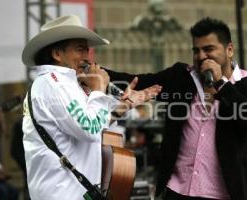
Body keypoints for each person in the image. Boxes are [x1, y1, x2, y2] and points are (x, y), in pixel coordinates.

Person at [106, 17, 247, 200]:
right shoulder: (182, 77)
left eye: (208, 49)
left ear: (229, 50)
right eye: (196, 50)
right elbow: (137, 82)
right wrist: (98, 74)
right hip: (179, 190)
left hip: (226, 192)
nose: (201, 56)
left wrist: (221, 85)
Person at [21, 15, 161, 200]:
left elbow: (93, 123)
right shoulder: (54, 84)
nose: (87, 58)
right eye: (80, 50)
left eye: (87, 50)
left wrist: (123, 107)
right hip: (61, 193)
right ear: (57, 53)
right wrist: (99, 89)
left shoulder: (61, 84)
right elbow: (89, 129)